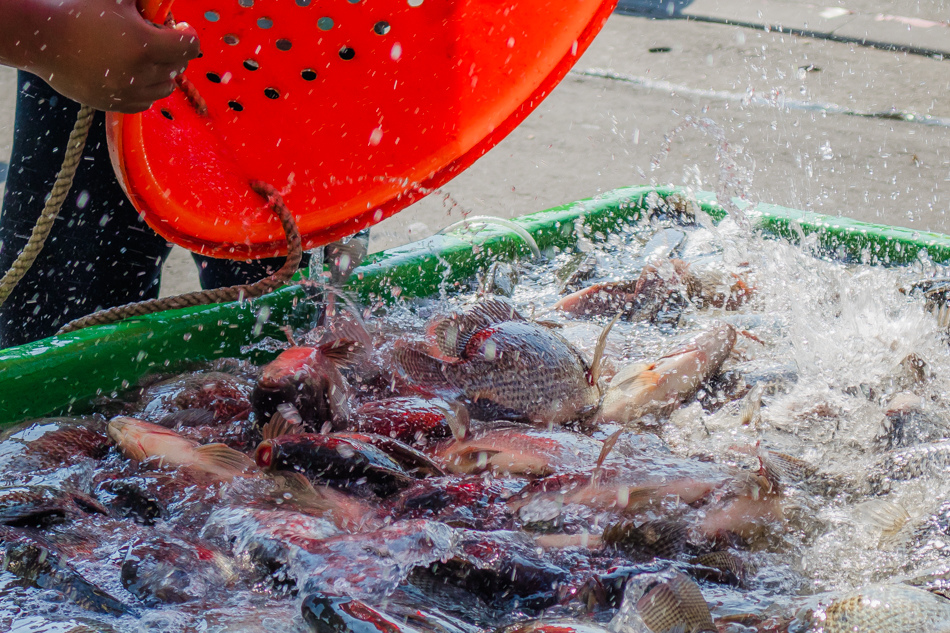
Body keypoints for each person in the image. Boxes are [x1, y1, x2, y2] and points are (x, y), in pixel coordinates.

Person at [0, 0, 310, 349]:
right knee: (59, 330)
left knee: (291, 336)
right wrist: (45, 33)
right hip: (84, 23)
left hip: (286, 41)